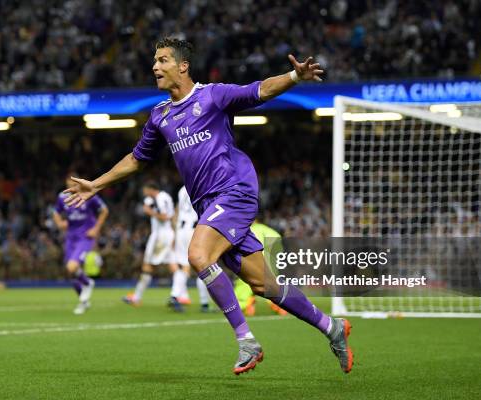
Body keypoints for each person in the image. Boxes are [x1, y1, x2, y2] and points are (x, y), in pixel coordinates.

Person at [64, 37, 353, 375]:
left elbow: (256, 90)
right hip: (209, 206)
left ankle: (246, 340)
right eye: (154, 61)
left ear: (182, 66)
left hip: (234, 191)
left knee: (198, 255)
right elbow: (136, 159)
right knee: (265, 286)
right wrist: (96, 184)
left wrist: (293, 77)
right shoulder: (159, 116)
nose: (155, 67)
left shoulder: (212, 95)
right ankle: (332, 327)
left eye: (162, 60)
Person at [53, 175, 109, 315]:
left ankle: (88, 284)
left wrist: (96, 229)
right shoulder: (62, 197)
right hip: (70, 237)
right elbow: (56, 212)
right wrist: (59, 223)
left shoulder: (88, 194)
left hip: (85, 237)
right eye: (69, 182)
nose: (71, 185)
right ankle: (84, 301)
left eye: (74, 182)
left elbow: (104, 210)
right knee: (71, 272)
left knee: (72, 267)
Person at [123, 182, 175, 307]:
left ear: (150, 189)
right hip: (166, 234)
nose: (144, 193)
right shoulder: (165, 197)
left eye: (145, 190)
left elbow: (164, 217)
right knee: (170, 265)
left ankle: (137, 297)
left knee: (149, 266)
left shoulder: (160, 199)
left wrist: (149, 211)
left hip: (160, 236)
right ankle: (180, 295)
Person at [168, 186, 211, 312]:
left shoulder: (182, 189)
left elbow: (176, 212)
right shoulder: (200, 185)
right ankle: (204, 303)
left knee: (184, 266)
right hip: (194, 230)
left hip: (181, 230)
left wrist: (175, 233)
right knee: (204, 265)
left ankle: (175, 296)